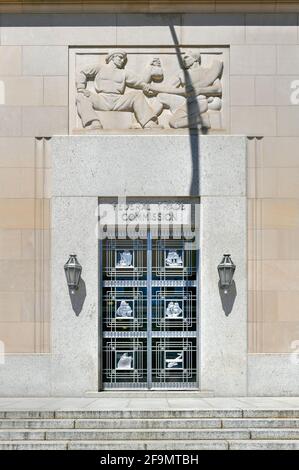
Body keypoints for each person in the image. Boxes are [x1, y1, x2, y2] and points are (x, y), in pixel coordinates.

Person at [76, 49, 162, 129]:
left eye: (124, 59)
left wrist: (149, 70)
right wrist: (81, 87)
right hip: (101, 100)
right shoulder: (99, 68)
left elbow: (139, 82)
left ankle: (148, 123)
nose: (122, 61)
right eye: (120, 58)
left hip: (118, 101)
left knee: (137, 95)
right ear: (112, 57)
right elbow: (82, 72)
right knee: (81, 96)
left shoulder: (124, 72)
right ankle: (93, 122)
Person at [144, 50, 223, 129]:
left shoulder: (208, 72)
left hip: (199, 101)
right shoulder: (181, 73)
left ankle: (202, 120)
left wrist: (199, 90)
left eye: (186, 57)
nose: (183, 60)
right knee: (161, 96)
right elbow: (168, 87)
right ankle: (148, 121)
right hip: (185, 101)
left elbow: (218, 89)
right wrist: (152, 88)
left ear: (195, 59)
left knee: (174, 123)